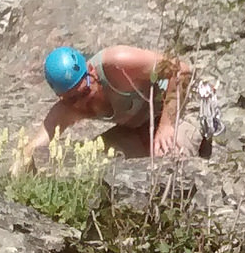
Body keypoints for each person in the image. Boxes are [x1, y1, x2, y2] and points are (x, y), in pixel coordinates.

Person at [19, 43, 205, 168]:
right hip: (142, 127)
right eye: (71, 99)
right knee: (90, 163)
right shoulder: (69, 108)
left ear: (91, 71)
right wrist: (19, 165)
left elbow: (181, 71)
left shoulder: (117, 64)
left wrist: (166, 126)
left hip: (183, 107)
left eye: (85, 92)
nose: (82, 102)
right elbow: (36, 143)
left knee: (168, 161)